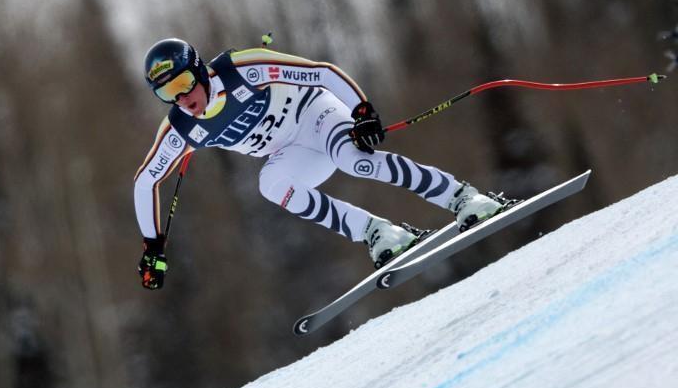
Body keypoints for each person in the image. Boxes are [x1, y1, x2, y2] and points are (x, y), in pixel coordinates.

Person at [134, 38, 511, 290]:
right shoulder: (181, 128)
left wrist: (361, 109)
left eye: (182, 83)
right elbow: (146, 181)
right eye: (166, 93)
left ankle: (463, 197)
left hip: (315, 114)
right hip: (291, 152)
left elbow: (322, 72)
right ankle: (377, 232)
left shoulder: (240, 69)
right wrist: (153, 245)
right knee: (270, 185)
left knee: (354, 162)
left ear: (198, 70)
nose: (181, 98)